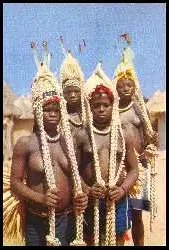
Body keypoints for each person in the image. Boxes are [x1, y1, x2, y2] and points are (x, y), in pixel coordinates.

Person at [7, 41, 88, 246]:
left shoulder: (69, 143)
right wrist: (40, 198)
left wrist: (83, 194)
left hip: (66, 220)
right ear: (36, 110)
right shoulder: (26, 144)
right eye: (46, 109)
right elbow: (15, 183)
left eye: (56, 109)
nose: (52, 114)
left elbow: (76, 178)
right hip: (36, 219)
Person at [73, 63, 139, 246]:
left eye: (105, 105)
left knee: (118, 239)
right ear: (90, 108)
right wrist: (87, 189)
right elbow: (73, 169)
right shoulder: (82, 134)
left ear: (113, 106)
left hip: (118, 197)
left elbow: (134, 170)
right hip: (91, 199)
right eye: (96, 106)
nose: (101, 109)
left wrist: (122, 189)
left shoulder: (123, 133)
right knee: (90, 240)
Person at [113, 45, 159, 246]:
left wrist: (151, 143)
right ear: (116, 87)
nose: (125, 89)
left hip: (140, 166)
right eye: (122, 86)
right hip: (121, 168)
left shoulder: (139, 109)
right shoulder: (113, 111)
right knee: (121, 215)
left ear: (135, 87)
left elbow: (148, 134)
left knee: (138, 212)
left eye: (129, 85)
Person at [60, 51, 86, 134]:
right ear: (63, 94)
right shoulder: (58, 117)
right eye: (68, 92)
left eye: (76, 91)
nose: (72, 95)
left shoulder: (88, 116)